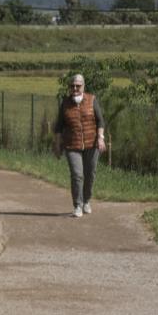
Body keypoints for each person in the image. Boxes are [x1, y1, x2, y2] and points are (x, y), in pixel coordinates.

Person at [53, 74, 106, 218]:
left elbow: (100, 121)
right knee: (77, 175)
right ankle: (77, 205)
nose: (75, 88)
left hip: (92, 144)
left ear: (83, 86)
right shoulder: (65, 103)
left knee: (90, 174)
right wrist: (57, 145)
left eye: (78, 85)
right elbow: (58, 126)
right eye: (72, 86)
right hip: (72, 145)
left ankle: (86, 200)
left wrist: (101, 138)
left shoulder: (92, 100)